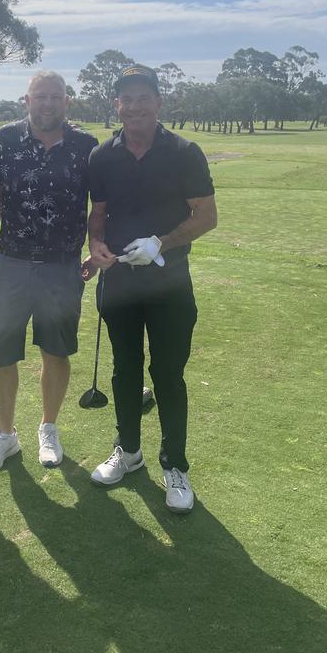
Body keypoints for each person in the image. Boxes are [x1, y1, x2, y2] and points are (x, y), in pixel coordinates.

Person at [87, 64, 217, 512]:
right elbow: (97, 214)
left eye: (145, 97)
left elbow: (206, 216)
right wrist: (98, 245)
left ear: (159, 103)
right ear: (117, 105)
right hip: (120, 283)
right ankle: (129, 451)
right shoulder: (102, 156)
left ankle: (174, 465)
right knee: (125, 371)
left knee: (167, 375)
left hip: (170, 285)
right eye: (128, 98)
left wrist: (162, 241)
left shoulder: (184, 152)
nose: (136, 105)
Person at [0, 71, 98, 473]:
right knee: (3, 350)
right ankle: (5, 435)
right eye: (40, 96)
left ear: (67, 102)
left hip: (62, 265)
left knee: (56, 349)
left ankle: (48, 427)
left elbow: (100, 203)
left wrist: (95, 247)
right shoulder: (5, 140)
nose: (48, 103)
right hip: (12, 262)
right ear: (26, 101)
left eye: (55, 97)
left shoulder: (85, 146)